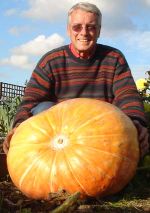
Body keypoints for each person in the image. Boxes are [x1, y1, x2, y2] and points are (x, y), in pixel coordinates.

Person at [3, 2, 149, 157]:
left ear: (99, 31)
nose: (84, 32)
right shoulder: (51, 61)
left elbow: (127, 95)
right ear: (68, 30)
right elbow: (31, 100)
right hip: (61, 138)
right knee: (41, 109)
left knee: (127, 119)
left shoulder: (114, 58)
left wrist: (136, 123)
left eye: (91, 27)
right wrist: (18, 126)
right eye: (77, 27)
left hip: (102, 133)